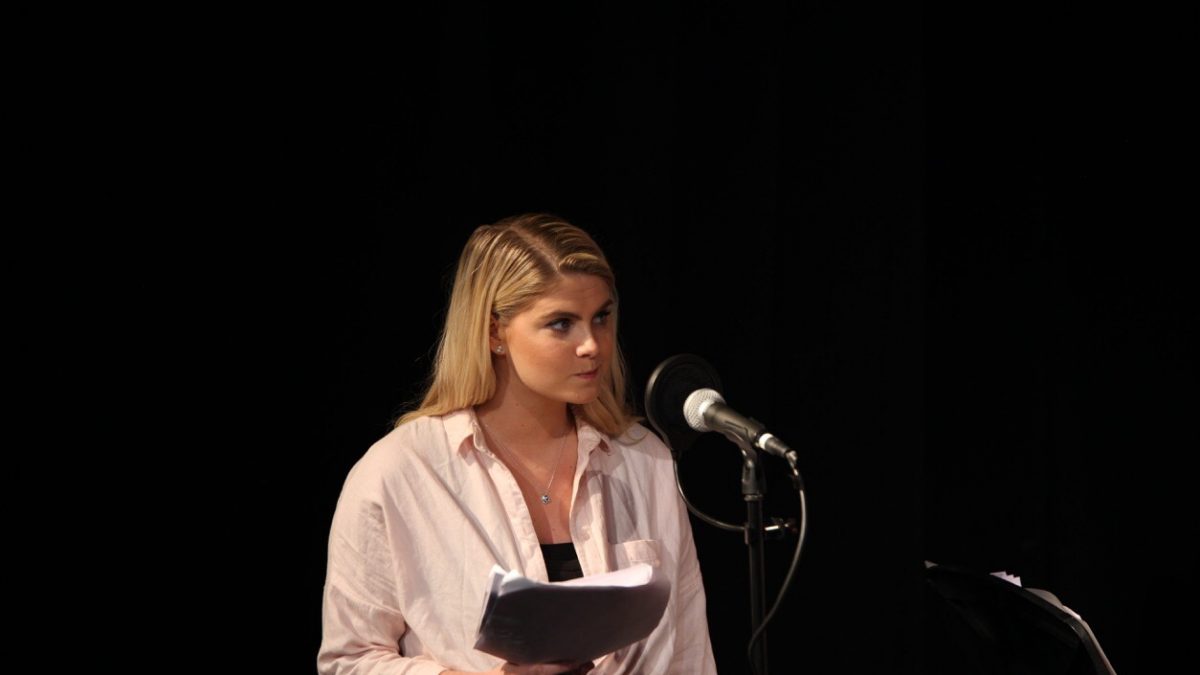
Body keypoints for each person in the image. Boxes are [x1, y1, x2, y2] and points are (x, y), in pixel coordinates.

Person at [318, 213, 717, 674]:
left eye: (601, 317)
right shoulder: (401, 472)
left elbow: (689, 653)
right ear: (494, 332)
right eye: (561, 324)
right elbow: (349, 660)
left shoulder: (645, 459)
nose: (592, 345)